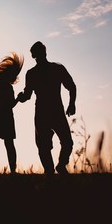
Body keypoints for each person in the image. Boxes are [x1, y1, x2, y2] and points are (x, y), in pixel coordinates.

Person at [17, 41, 76, 175]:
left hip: (51, 112)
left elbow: (71, 86)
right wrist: (72, 103)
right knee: (48, 145)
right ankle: (51, 170)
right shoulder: (35, 73)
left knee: (63, 143)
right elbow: (27, 95)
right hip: (47, 112)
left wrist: (72, 103)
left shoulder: (55, 69)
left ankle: (58, 167)